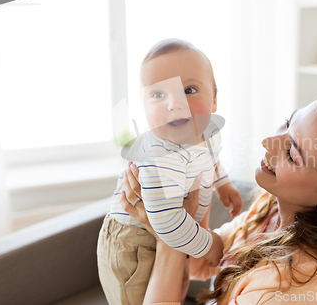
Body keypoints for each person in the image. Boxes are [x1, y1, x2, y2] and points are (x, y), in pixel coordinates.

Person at [121, 88, 317, 305]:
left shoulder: (294, 291)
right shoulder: (274, 211)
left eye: (291, 152)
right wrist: (183, 203)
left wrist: (168, 228)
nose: (268, 142)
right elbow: (206, 261)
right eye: (289, 123)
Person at [97, 38, 243, 305]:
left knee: (177, 286)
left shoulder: (206, 134)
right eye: (158, 95)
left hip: (181, 232)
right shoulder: (160, 156)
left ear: (214, 101)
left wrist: (224, 185)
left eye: (189, 89)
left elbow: (210, 159)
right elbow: (164, 222)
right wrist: (211, 245)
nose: (174, 103)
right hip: (136, 243)